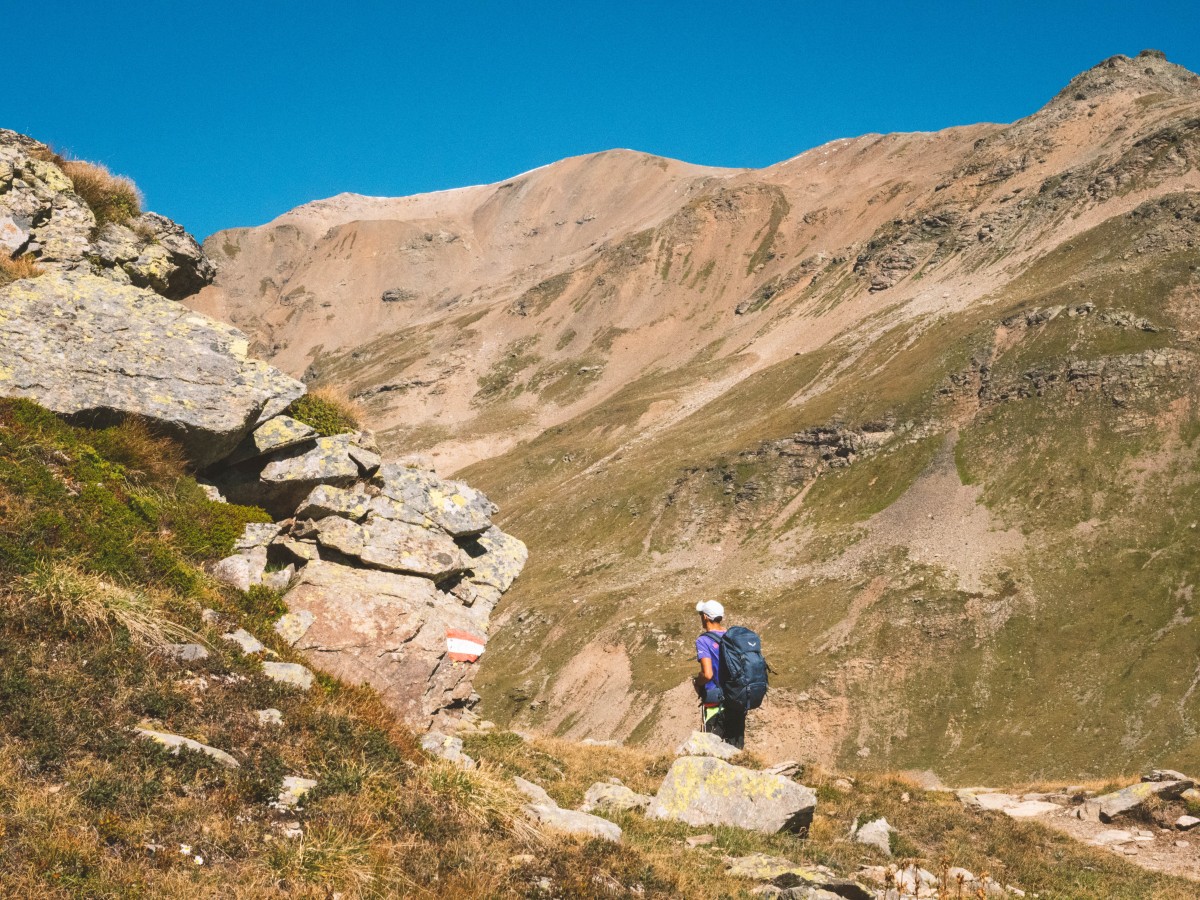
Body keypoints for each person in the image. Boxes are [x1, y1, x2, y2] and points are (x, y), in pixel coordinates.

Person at [693, 599, 746, 749]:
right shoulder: (733, 637)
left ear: (705, 617)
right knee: (736, 751)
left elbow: (708, 674)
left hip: (716, 704)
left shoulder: (703, 641)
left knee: (708, 751)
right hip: (737, 700)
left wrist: (697, 682)